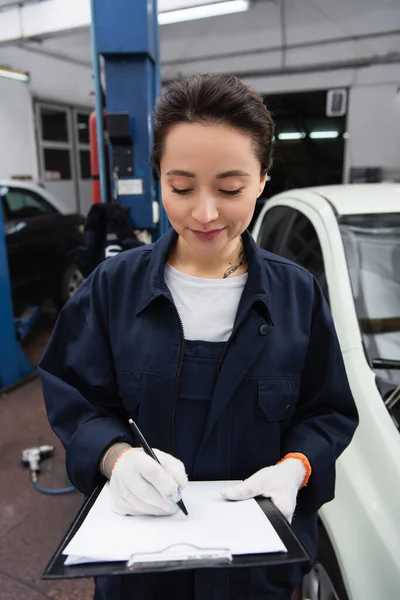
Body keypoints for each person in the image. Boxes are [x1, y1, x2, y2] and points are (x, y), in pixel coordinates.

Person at [39, 73, 359, 600]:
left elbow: (326, 412)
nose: (205, 213)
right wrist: (115, 457)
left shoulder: (297, 295)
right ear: (158, 177)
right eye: (181, 187)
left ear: (262, 179)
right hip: (140, 571)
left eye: (230, 189)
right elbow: (75, 398)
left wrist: (296, 468)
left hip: (253, 577)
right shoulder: (112, 289)